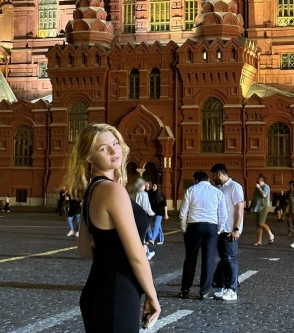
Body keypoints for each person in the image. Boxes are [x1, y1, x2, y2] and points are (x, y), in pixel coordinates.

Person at [65, 123, 160, 332]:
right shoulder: (113, 190)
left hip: (99, 291)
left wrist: (112, 247)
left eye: (115, 143)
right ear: (89, 157)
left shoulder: (91, 190)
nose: (113, 150)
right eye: (103, 148)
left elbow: (84, 249)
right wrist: (152, 296)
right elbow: (136, 256)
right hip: (118, 295)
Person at [179, 170, 227, 300]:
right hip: (211, 227)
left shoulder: (191, 190)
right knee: (208, 259)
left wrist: (184, 228)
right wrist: (218, 230)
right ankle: (204, 291)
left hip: (194, 226)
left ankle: (185, 289)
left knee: (190, 259)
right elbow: (223, 215)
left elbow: (183, 213)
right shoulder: (217, 192)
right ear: (208, 180)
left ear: (195, 180)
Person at [210, 163, 244, 301]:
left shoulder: (234, 187)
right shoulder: (221, 188)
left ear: (219, 174)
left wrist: (236, 228)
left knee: (230, 259)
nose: (213, 179)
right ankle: (226, 287)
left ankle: (232, 290)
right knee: (225, 259)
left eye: (214, 176)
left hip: (230, 229)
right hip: (221, 229)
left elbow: (239, 208)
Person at [133, 177, 156, 260]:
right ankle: (145, 255)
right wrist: (152, 213)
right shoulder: (144, 194)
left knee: (139, 235)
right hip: (143, 216)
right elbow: (146, 207)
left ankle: (147, 253)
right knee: (144, 237)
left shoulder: (135, 193)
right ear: (143, 184)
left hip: (135, 215)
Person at [251, 175, 275, 246]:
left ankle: (271, 234)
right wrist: (251, 206)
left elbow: (264, 195)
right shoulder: (257, 188)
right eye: (257, 179)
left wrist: (259, 188)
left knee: (261, 223)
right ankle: (259, 241)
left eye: (259, 180)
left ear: (262, 180)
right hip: (257, 207)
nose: (257, 181)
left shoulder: (266, 186)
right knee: (258, 225)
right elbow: (254, 197)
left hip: (263, 207)